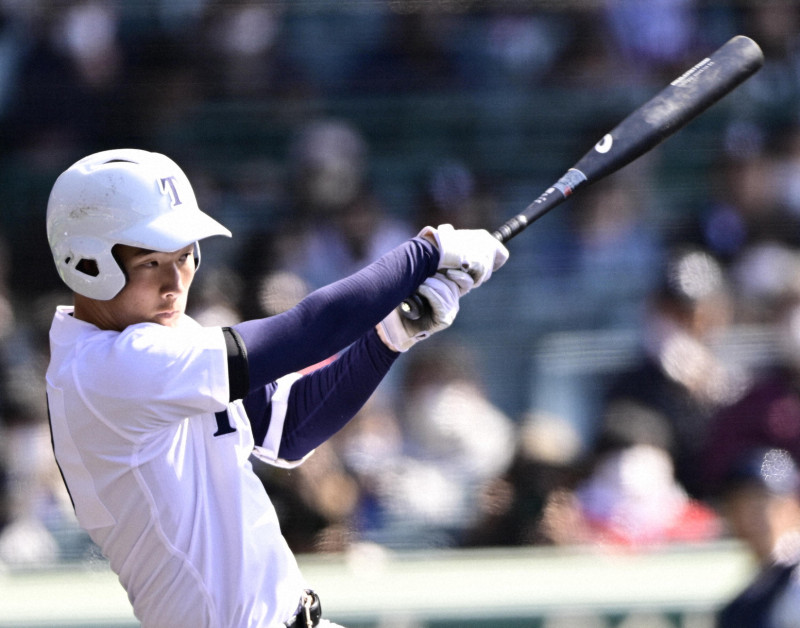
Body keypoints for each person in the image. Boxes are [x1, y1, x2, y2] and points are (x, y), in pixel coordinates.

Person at [43, 148, 508, 628]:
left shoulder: (158, 343)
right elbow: (307, 330)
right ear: (87, 261)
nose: (176, 280)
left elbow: (293, 426)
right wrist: (427, 252)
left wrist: (388, 337)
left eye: (184, 256)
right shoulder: (104, 368)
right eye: (152, 261)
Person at [715, 448, 800, 628]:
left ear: (792, 506)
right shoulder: (744, 602)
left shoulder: (795, 582)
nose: (749, 517)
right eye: (740, 504)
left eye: (761, 503)